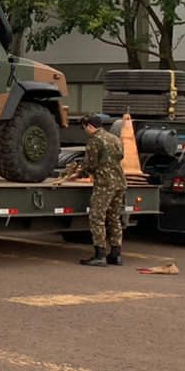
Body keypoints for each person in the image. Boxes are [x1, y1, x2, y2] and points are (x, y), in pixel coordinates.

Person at [66, 113, 125, 266]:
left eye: (84, 127)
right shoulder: (114, 138)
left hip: (105, 184)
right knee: (114, 218)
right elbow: (121, 156)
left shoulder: (94, 141)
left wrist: (78, 174)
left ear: (90, 126)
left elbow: (90, 164)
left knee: (97, 217)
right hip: (120, 182)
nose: (85, 130)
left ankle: (100, 255)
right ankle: (116, 254)